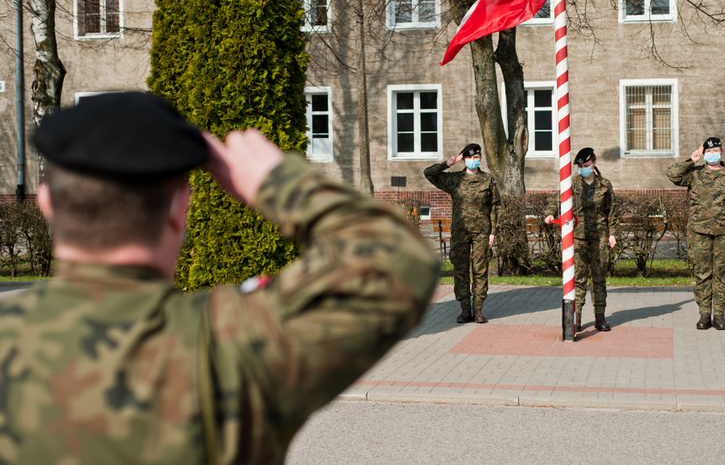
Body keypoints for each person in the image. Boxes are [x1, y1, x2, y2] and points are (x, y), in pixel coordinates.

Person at [0, 92, 439, 464]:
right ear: (180, 206)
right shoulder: (234, 341)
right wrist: (275, 181)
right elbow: (397, 259)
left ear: (46, 203)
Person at [667, 136, 725, 331]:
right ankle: (704, 314)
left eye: (716, 151)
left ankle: (719, 315)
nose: (713, 155)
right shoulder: (694, 175)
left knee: (722, 273)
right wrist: (691, 160)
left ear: (721, 152)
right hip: (699, 232)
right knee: (702, 273)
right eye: (709, 152)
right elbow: (672, 174)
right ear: (704, 154)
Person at [424, 143, 500, 324]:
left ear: (480, 159)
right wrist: (448, 164)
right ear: (464, 159)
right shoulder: (455, 179)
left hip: (482, 232)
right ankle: (465, 309)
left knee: (480, 270)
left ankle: (478, 309)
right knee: (460, 269)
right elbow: (429, 174)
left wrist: (493, 232)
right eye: (470, 158)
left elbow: (496, 206)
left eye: (476, 158)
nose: (474, 161)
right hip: (460, 232)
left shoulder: (488, 180)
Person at [544, 147, 618, 332]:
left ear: (593, 163)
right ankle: (576, 319)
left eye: (586, 165)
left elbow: (612, 211)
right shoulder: (572, 184)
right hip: (578, 237)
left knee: (599, 278)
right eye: (580, 166)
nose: (582, 169)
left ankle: (600, 318)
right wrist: (550, 213)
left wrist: (612, 233)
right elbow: (557, 200)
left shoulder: (604, 185)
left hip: (599, 237)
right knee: (578, 279)